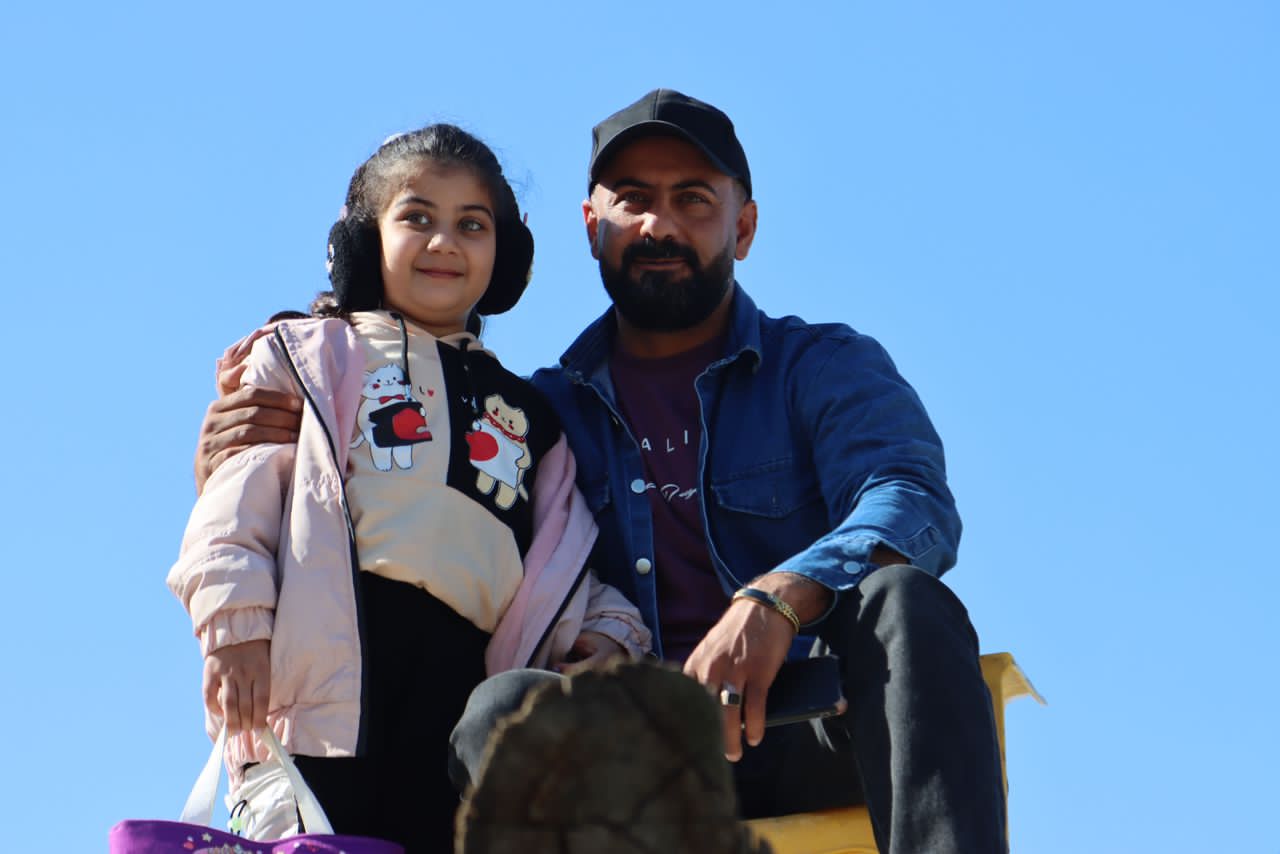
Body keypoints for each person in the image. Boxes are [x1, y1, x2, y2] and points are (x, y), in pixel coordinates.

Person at [196, 92, 1008, 854]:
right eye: (633, 199)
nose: (660, 223)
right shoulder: (535, 417)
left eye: (694, 199)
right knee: (504, 710)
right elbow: (419, 512)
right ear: (592, 226)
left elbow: (911, 501)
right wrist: (251, 445)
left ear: (744, 225)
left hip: (817, 724)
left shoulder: (821, 365)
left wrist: (778, 600)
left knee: (905, 602)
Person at [169, 124, 651, 854]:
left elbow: (562, 560)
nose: (444, 242)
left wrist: (612, 635)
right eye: (417, 217)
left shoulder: (532, 419)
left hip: (459, 704)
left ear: (508, 255)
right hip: (322, 700)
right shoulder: (310, 358)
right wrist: (234, 632)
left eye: (472, 224)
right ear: (363, 240)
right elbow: (235, 508)